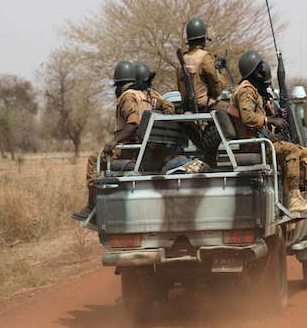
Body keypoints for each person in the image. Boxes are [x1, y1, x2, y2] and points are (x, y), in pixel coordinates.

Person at [71, 62, 174, 221]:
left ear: (120, 85)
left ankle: (93, 207)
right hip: (149, 149)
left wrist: (114, 142)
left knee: (94, 159)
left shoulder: (127, 96)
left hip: (131, 150)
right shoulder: (151, 95)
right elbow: (168, 105)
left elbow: (132, 125)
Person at [228, 50, 307, 213]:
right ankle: (293, 200)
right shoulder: (245, 90)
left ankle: (298, 196)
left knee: (305, 153)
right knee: (291, 150)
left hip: (261, 142)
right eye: (260, 69)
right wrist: (270, 120)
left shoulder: (255, 91)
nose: (263, 72)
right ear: (253, 72)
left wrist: (274, 115)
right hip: (254, 145)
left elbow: (257, 114)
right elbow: (248, 117)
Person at [176, 17, 228, 111]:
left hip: (186, 107)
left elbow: (180, 88)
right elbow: (217, 91)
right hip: (204, 105)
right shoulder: (204, 57)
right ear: (203, 39)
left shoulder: (182, 60)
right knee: (233, 110)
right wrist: (219, 72)